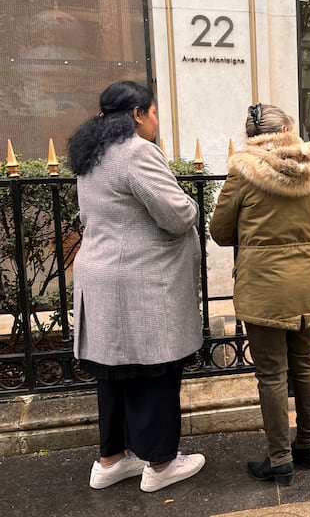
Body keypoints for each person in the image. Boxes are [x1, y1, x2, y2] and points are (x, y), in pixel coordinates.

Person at [68, 80, 205, 492]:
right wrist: (193, 204)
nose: (156, 121)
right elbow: (177, 214)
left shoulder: (91, 153)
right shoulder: (137, 152)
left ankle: (110, 460)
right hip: (141, 280)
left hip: (101, 274)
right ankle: (161, 464)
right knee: (154, 370)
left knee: (113, 372)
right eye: (154, 112)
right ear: (137, 114)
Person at [210, 103, 310, 486]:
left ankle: (279, 457)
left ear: (252, 135)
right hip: (307, 285)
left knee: (271, 374)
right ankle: (309, 444)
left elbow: (220, 231)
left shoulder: (243, 174)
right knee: (304, 362)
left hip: (264, 288)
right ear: (289, 130)